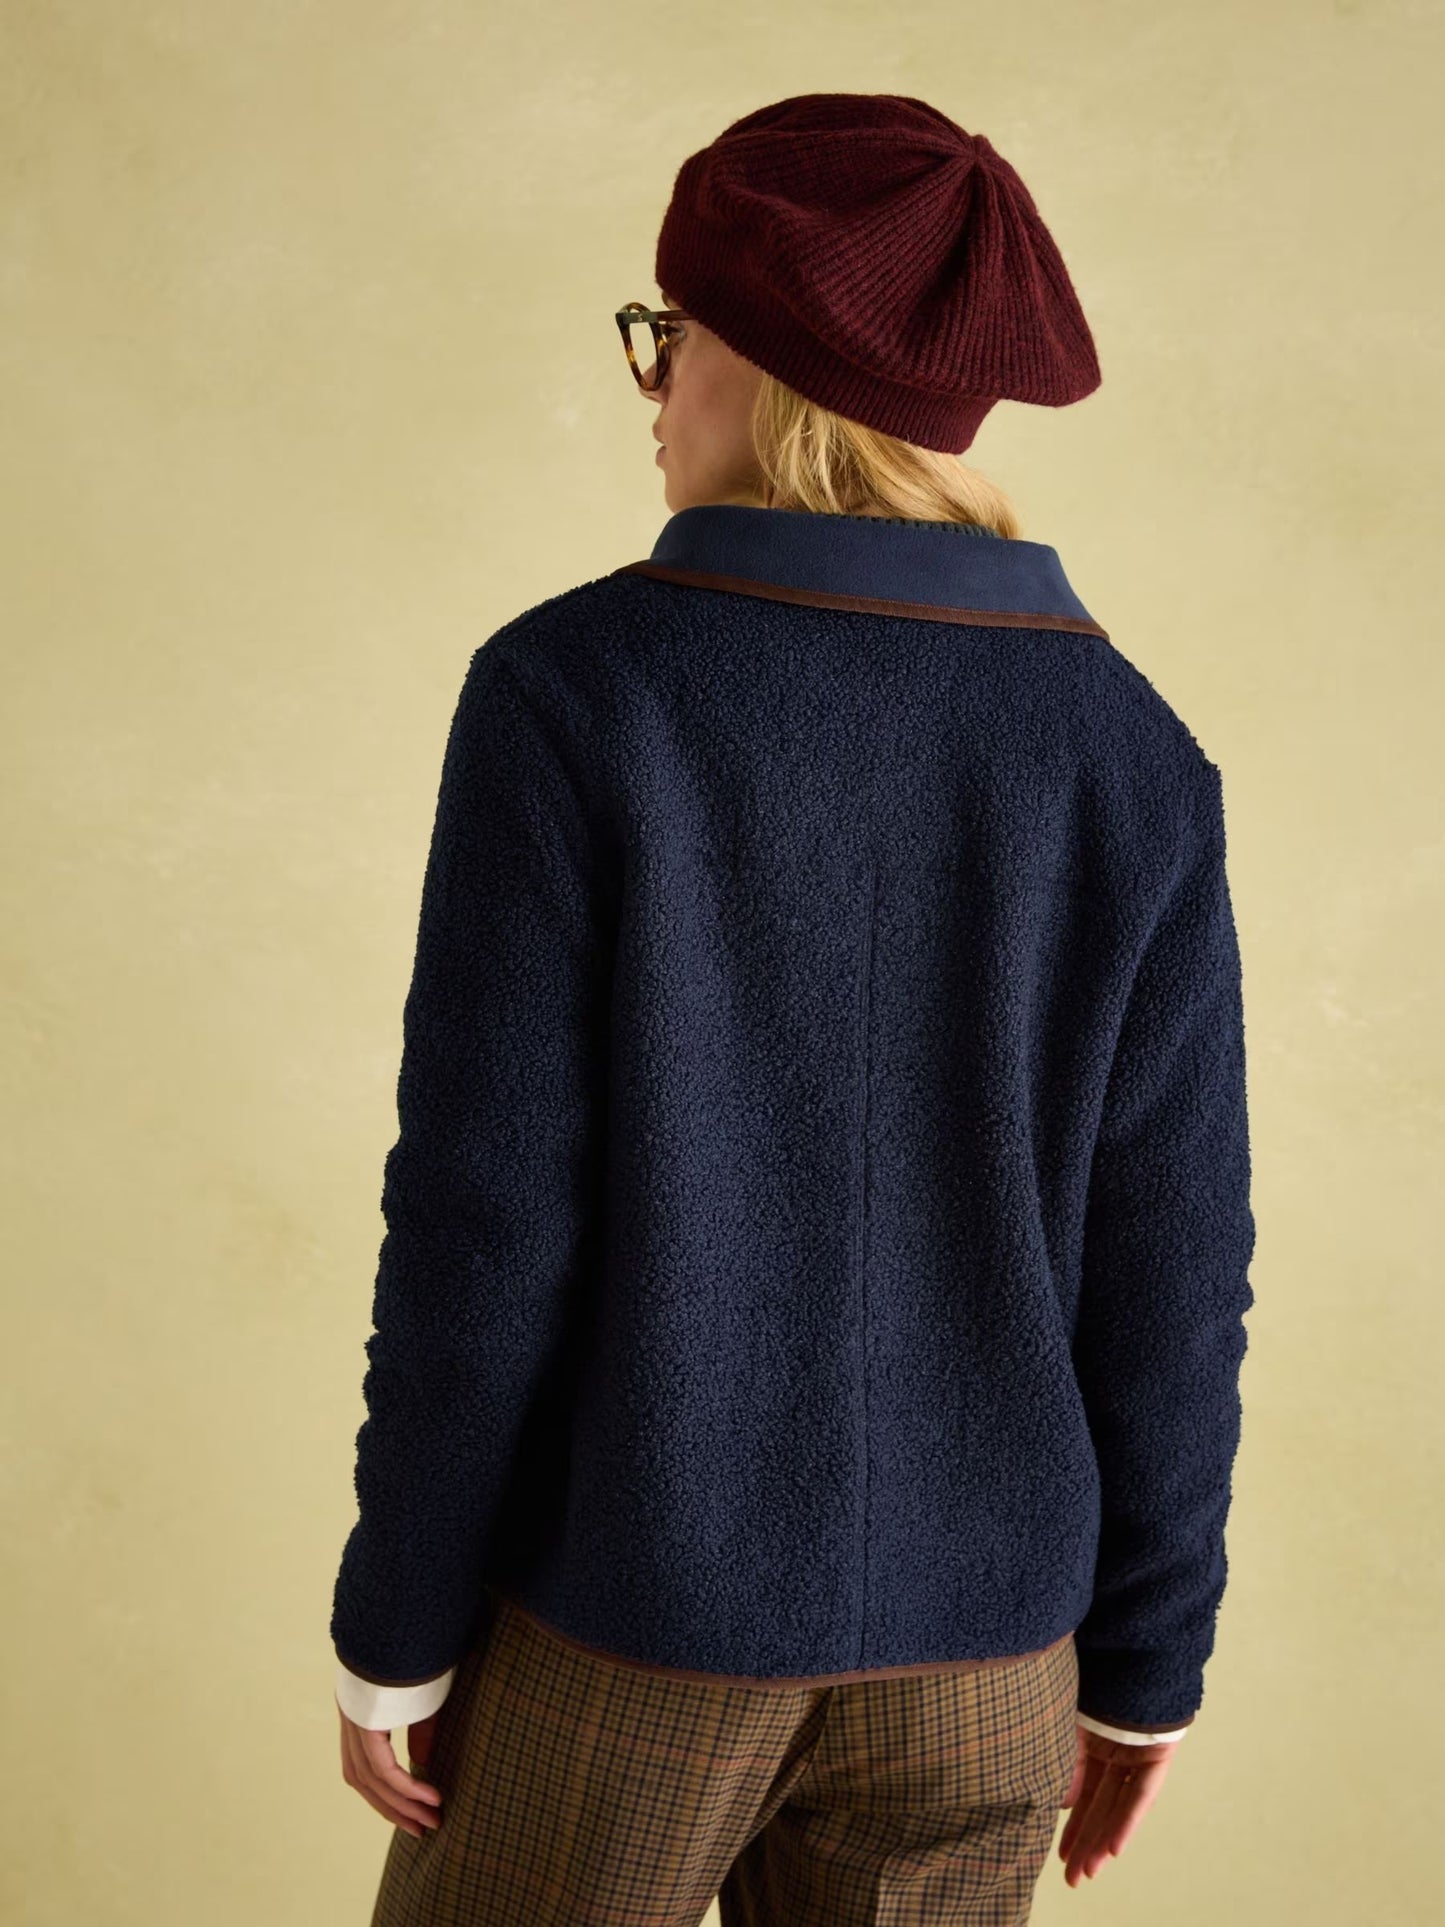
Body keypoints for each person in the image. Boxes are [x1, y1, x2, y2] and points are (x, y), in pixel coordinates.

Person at [331, 92, 1255, 1924]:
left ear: (751, 360)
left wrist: (397, 1623)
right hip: (988, 1669)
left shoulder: (577, 694)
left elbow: (483, 1221)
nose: (651, 390)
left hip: (630, 1635)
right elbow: (1172, 1264)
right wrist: (1144, 1667)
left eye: (665, 338)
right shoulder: (1129, 754)